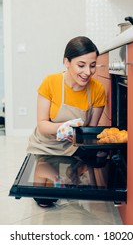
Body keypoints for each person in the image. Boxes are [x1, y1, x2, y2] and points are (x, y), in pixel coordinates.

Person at [27, 36, 106, 207]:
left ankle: (71, 173)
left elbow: (91, 131)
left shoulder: (98, 90)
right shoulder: (50, 82)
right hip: (47, 143)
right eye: (81, 65)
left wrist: (79, 137)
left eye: (92, 66)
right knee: (44, 199)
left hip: (74, 146)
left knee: (98, 160)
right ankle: (55, 175)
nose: (88, 72)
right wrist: (63, 128)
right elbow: (42, 125)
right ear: (66, 62)